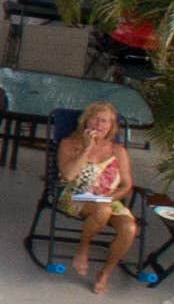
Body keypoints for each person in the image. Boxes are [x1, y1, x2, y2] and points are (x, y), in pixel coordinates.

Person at [47, 100, 144, 283]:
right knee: (102, 210)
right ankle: (83, 249)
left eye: (104, 121)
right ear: (86, 121)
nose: (98, 124)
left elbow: (126, 185)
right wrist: (87, 148)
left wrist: (109, 198)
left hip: (108, 199)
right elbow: (68, 175)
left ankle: (106, 272)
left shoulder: (118, 151)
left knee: (129, 228)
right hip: (74, 196)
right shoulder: (69, 144)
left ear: (111, 127)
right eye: (95, 119)